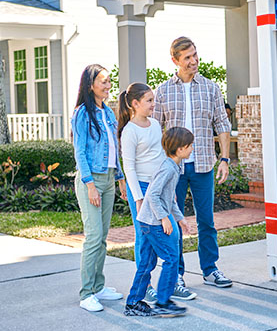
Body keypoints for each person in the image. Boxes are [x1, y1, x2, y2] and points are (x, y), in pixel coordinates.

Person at [153, 36, 233, 298]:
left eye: (195, 55)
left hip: (203, 165)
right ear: (175, 60)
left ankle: (210, 269)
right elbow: (155, 130)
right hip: (172, 168)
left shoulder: (210, 88)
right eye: (187, 57)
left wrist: (224, 158)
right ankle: (175, 274)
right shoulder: (163, 91)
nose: (194, 61)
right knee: (174, 223)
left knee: (206, 220)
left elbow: (222, 124)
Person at [118, 83, 195, 305]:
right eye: (149, 100)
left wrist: (169, 190)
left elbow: (162, 156)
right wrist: (139, 199)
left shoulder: (154, 124)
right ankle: (147, 287)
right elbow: (129, 167)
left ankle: (171, 283)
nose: (154, 104)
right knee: (144, 237)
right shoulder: (129, 131)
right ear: (135, 104)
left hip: (160, 186)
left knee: (171, 233)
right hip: (142, 189)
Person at [72, 64, 127, 312]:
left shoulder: (107, 112)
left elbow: (115, 148)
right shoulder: (82, 114)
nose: (108, 85)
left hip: (108, 179)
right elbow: (80, 152)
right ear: (90, 84)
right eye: (103, 81)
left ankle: (98, 286)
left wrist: (121, 178)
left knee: (103, 237)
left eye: (108, 81)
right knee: (93, 237)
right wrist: (90, 185)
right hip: (91, 181)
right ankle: (86, 293)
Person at [124, 127, 193, 317]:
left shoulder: (173, 166)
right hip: (153, 221)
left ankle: (133, 303)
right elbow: (153, 195)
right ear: (180, 149)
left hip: (146, 220)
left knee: (146, 263)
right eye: (189, 146)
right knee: (171, 257)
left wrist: (180, 219)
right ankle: (163, 302)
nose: (191, 149)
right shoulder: (168, 168)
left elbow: (169, 198)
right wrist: (164, 218)